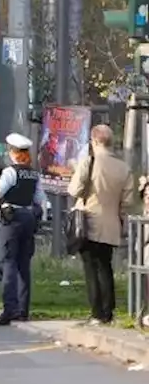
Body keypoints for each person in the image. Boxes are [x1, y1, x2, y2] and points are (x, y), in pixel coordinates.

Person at [68, 124, 134, 325]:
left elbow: (74, 190)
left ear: (94, 141)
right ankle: (108, 312)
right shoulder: (124, 167)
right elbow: (129, 201)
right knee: (105, 267)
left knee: (91, 268)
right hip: (112, 223)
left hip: (87, 222)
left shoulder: (88, 162)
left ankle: (97, 313)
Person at [0, 133, 45, 325]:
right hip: (28, 218)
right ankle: (22, 310)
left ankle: (9, 309)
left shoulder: (10, 173)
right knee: (23, 265)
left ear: (12, 153)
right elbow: (40, 200)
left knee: (9, 263)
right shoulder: (34, 174)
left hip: (11, 220)